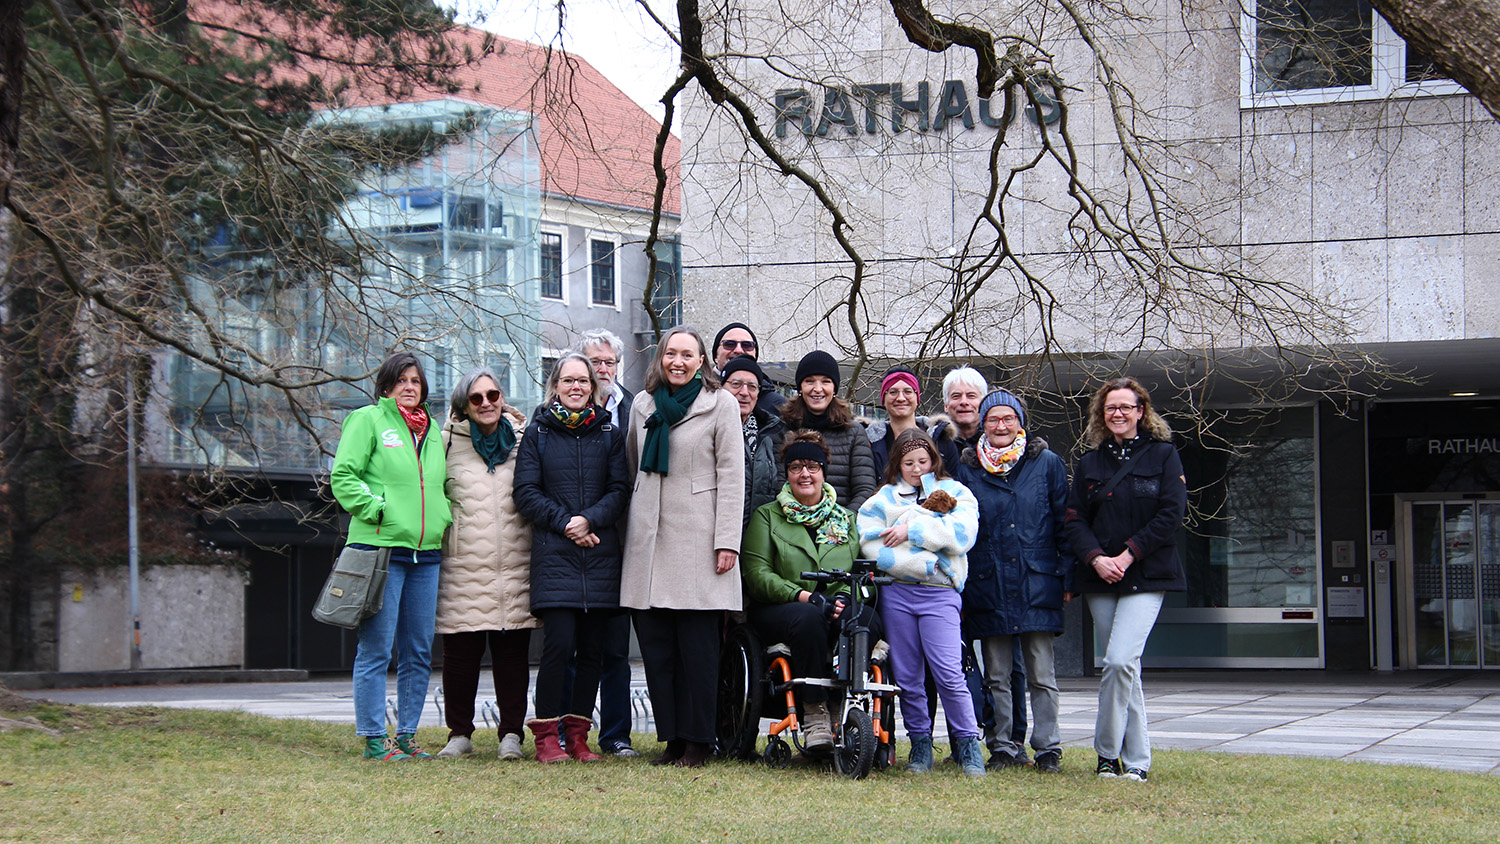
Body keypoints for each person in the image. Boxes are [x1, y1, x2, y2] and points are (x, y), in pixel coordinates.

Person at [621, 325, 745, 768]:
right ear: (661, 359)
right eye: (670, 353)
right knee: (658, 649)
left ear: (701, 362)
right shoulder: (642, 404)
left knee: (698, 651)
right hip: (650, 539)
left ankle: (698, 741)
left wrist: (727, 540)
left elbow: (733, 477)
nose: (677, 361)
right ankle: (671, 738)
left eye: (687, 355)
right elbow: (635, 464)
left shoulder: (721, 403)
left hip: (700, 539)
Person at [1063, 376, 1187, 783]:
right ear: (1102, 414)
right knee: (1123, 666)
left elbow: (1171, 514)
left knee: (1118, 661)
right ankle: (1136, 762)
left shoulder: (1164, 456)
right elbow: (1075, 518)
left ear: (1141, 412)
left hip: (1146, 575)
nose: (1118, 413)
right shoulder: (1090, 462)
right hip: (1101, 577)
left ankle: (1106, 753)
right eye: (1110, 407)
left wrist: (1128, 553)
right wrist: (1097, 558)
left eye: (1126, 407)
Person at [330, 351, 452, 761]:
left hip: (426, 554)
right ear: (386, 386)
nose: (409, 387)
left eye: (416, 381)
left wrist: (441, 518)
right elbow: (343, 476)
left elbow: (438, 486)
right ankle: (373, 737)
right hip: (380, 550)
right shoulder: (367, 420)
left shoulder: (432, 430)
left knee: (418, 650)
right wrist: (378, 510)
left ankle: (408, 736)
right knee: (377, 649)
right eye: (401, 380)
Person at [513, 353, 631, 763]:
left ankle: (578, 736)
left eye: (583, 381)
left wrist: (589, 520)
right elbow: (526, 492)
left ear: (593, 387)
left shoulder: (609, 434)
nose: (577, 387)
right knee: (559, 647)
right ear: (556, 386)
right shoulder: (538, 433)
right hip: (557, 556)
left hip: (599, 555)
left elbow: (619, 489)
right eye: (568, 381)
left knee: (593, 652)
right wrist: (567, 524)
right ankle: (547, 735)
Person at [955, 390, 1072, 773]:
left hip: (1036, 578)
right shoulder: (968, 467)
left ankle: (1048, 747)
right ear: (983, 424)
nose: (1001, 426)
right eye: (993, 419)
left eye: (1008, 418)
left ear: (1021, 422)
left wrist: (1066, 574)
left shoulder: (1047, 463)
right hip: (989, 581)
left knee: (1041, 673)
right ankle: (1002, 745)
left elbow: (1063, 522)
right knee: (997, 674)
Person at [856, 428, 984, 777]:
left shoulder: (955, 492)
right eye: (908, 462)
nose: (915, 468)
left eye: (923, 461)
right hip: (898, 593)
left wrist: (911, 531)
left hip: (940, 593)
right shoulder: (881, 500)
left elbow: (961, 537)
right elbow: (870, 544)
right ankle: (920, 745)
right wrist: (921, 560)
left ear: (934, 460)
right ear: (896, 464)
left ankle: (968, 745)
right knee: (909, 676)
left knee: (948, 671)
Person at [740, 430, 874, 752]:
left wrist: (845, 597)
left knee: (864, 617)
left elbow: (860, 572)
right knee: (809, 617)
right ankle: (814, 712)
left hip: (835, 604)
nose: (805, 474)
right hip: (781, 607)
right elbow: (757, 575)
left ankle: (847, 706)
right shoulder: (767, 516)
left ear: (824, 472)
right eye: (797, 466)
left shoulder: (846, 519)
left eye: (813, 467)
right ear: (786, 473)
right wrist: (806, 596)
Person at [434, 367, 537, 761]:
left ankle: (511, 734)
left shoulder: (524, 441)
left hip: (515, 563)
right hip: (462, 566)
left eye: (493, 395)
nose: (487, 404)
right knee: (460, 658)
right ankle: (459, 733)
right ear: (464, 405)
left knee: (513, 660)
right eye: (477, 398)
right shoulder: (443, 444)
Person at [573, 328, 638, 757]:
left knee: (617, 646)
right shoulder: (563, 410)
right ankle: (570, 730)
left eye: (609, 362)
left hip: (623, 537)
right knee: (576, 646)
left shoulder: (638, 406)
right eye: (594, 362)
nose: (602, 370)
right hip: (575, 538)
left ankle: (615, 734)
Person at [779, 350, 877, 512]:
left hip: (842, 525)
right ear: (800, 387)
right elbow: (778, 483)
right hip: (793, 522)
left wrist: (841, 520)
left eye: (825, 382)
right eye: (810, 381)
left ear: (834, 388)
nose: (818, 389)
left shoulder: (854, 432)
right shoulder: (783, 429)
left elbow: (864, 488)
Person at [722, 355, 787, 523]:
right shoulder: (708, 429)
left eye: (752, 386)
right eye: (736, 384)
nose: (744, 393)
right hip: (719, 534)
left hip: (761, 533)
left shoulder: (773, 432)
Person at [712, 322, 785, 415]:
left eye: (747, 345)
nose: (738, 350)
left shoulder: (777, 406)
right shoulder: (697, 394)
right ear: (715, 356)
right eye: (729, 344)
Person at [927, 366, 986, 469]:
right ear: (946, 405)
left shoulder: (997, 442)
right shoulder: (931, 444)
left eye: (971, 396)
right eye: (956, 396)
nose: (964, 402)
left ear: (983, 403)